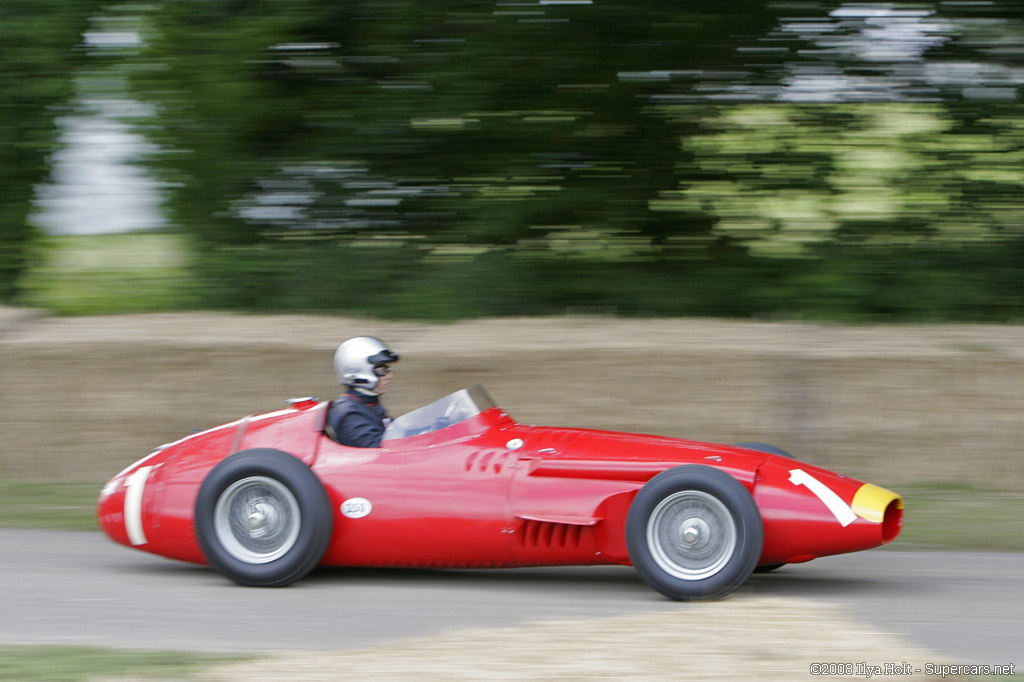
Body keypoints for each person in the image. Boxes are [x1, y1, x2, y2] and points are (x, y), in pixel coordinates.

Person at [327, 336, 399, 448]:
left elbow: (396, 431)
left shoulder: (368, 403)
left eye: (388, 370)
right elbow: (377, 451)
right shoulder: (349, 413)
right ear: (358, 371)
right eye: (381, 370)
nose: (389, 376)